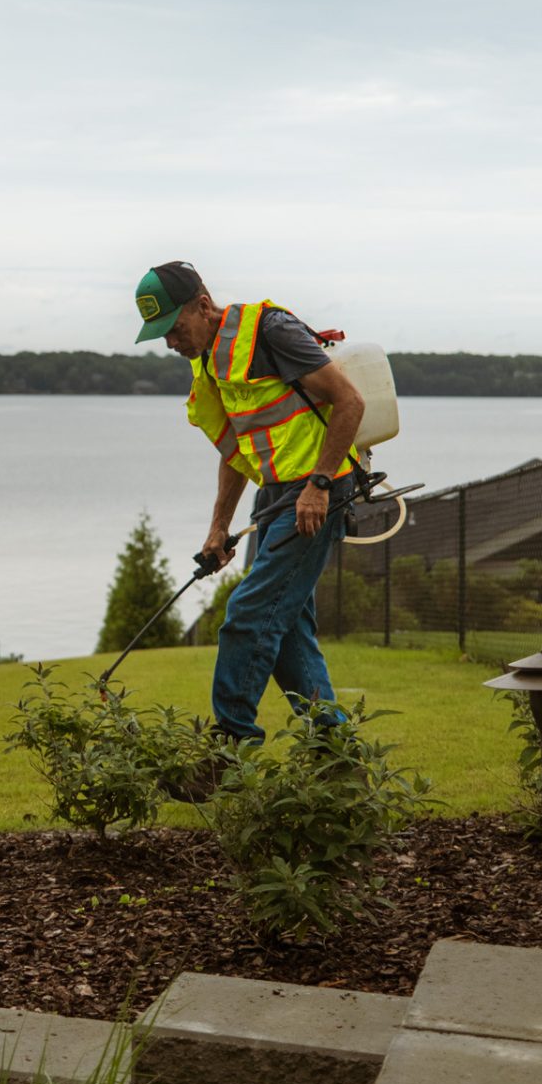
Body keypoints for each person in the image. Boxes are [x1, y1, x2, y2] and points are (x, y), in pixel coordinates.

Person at [134, 260, 365, 784]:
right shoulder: (210, 360)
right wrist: (219, 527)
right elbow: (237, 447)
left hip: (315, 495)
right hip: (277, 497)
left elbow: (350, 402)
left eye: (174, 328)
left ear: (202, 305)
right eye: (161, 336)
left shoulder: (270, 332)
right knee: (286, 632)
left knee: (248, 614)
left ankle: (230, 750)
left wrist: (320, 484)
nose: (171, 343)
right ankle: (339, 762)